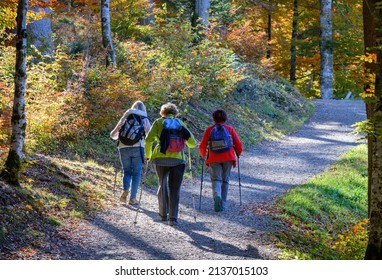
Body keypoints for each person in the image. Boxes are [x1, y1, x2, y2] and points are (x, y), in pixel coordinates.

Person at [145, 102, 196, 226]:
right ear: (175, 113)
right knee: (175, 188)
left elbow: (148, 140)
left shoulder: (158, 122)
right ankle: (172, 218)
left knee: (162, 184)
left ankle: (163, 214)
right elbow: (192, 143)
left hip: (160, 158)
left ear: (163, 112)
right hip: (178, 160)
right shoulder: (180, 123)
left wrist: (148, 155)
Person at [199, 109, 243, 212]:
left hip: (214, 158)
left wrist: (203, 154)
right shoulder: (230, 129)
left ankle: (217, 196)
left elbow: (202, 146)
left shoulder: (209, 130)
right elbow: (238, 145)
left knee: (216, 179)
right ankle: (223, 204)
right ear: (225, 118)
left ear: (213, 118)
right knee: (225, 180)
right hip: (228, 157)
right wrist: (238, 153)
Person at [110, 100, 151, 205]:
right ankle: (133, 198)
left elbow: (113, 135)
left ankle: (125, 190)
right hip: (138, 147)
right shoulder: (144, 118)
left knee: (126, 171)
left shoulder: (127, 116)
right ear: (144, 109)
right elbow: (149, 135)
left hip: (123, 147)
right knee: (136, 173)